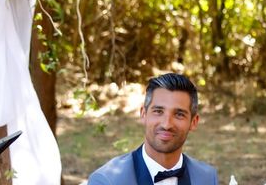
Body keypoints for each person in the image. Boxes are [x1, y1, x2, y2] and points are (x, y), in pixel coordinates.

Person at [88, 73, 218, 185]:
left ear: (193, 122)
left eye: (179, 114)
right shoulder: (107, 180)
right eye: (158, 111)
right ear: (143, 114)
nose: (166, 124)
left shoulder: (207, 177)